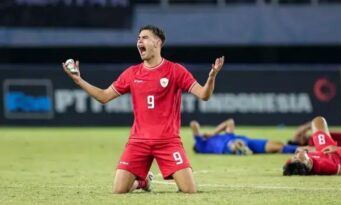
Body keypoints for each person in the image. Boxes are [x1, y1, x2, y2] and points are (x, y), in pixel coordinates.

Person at [62, 25, 225, 193]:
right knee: (118, 190)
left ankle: (146, 179)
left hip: (168, 142)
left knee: (189, 191)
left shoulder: (175, 70)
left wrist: (211, 77)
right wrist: (78, 81)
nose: (140, 40)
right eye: (138, 38)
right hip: (138, 142)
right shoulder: (132, 73)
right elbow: (103, 96)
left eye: (145, 37)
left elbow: (204, 95)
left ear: (157, 42)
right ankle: (143, 182)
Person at [190, 119, 298, 155]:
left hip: (248, 142)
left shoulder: (224, 136)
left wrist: (213, 133)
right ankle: (240, 149)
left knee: (278, 146)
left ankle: (300, 149)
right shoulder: (201, 145)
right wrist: (202, 135)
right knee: (234, 144)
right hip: (227, 147)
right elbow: (194, 124)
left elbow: (230, 122)